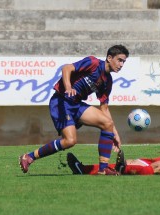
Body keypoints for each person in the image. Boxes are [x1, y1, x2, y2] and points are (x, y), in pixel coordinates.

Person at [19, 45, 129, 175]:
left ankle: (103, 169)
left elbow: (104, 108)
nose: (121, 64)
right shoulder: (93, 62)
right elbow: (67, 68)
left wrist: (113, 133)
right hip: (61, 101)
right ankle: (29, 157)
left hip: (76, 105)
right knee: (70, 141)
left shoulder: (107, 81)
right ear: (109, 58)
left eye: (124, 62)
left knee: (107, 124)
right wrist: (68, 87)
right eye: (119, 60)